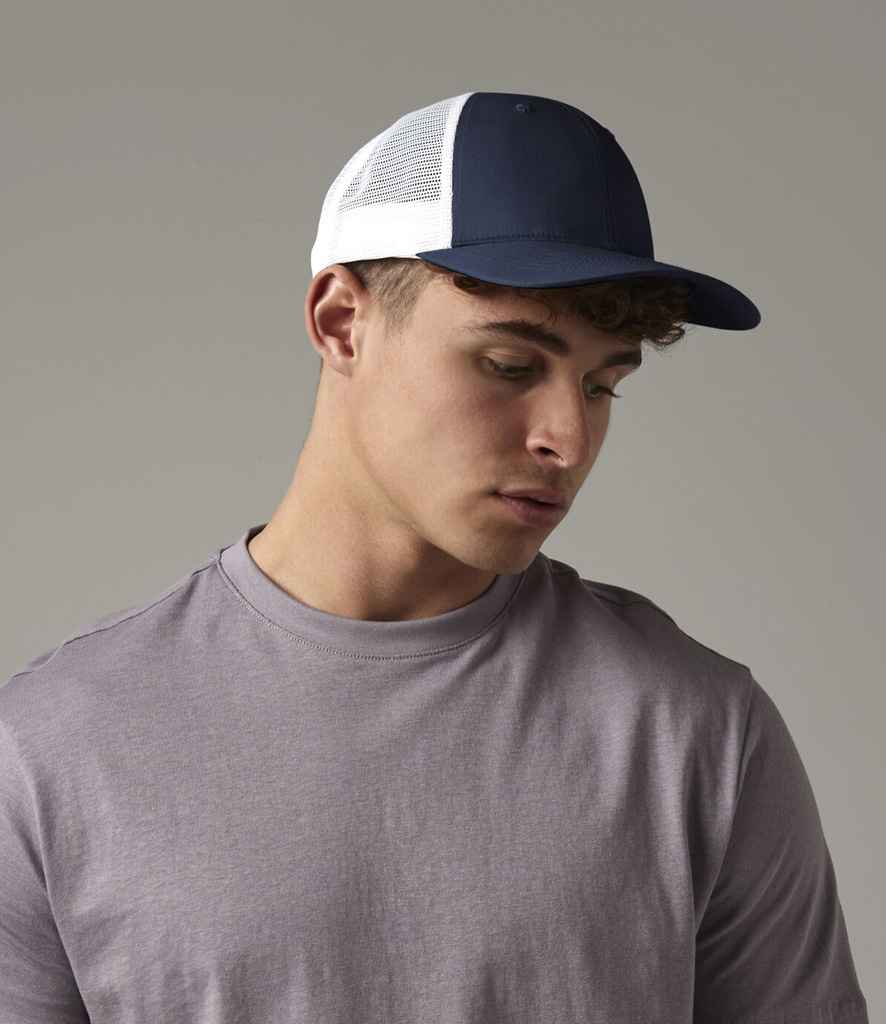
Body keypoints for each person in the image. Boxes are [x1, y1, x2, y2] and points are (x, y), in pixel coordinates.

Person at [0, 92, 869, 1023]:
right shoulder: (55, 750)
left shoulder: (696, 729)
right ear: (343, 322)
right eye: (510, 366)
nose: (568, 439)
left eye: (602, 384)